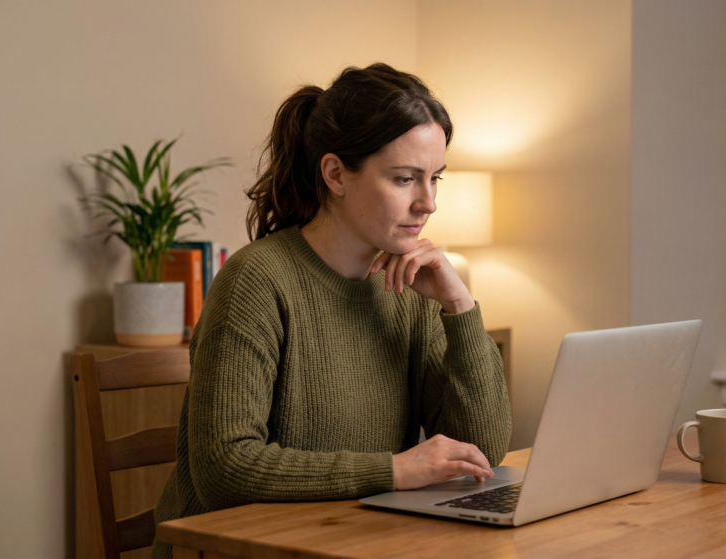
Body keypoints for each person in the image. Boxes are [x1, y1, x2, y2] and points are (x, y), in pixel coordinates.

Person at [150, 63, 511, 558]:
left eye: (435, 179)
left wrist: (460, 306)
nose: (428, 203)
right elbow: (224, 468)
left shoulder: (409, 289)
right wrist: (394, 470)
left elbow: (482, 452)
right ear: (336, 174)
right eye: (405, 179)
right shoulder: (256, 280)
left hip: (352, 541)